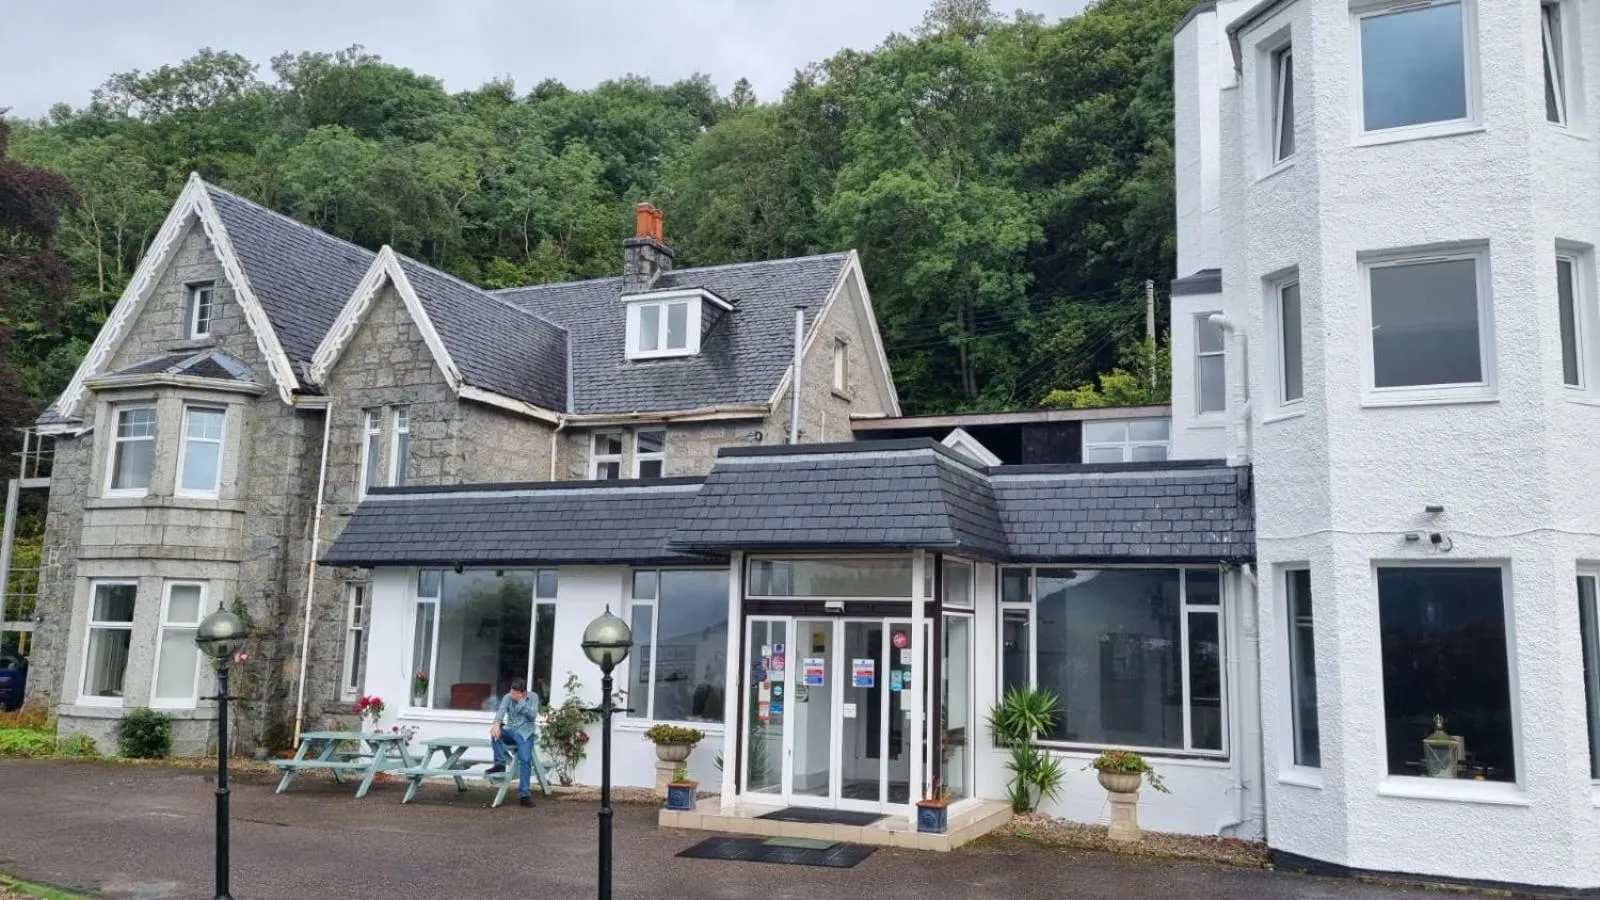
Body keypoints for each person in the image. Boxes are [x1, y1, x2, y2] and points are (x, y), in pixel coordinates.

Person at [485, 677, 540, 806]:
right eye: (511, 692)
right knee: (495, 733)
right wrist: (496, 724)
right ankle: (500, 763)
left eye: (515, 693)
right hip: (511, 730)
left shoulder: (533, 697)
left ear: (523, 693)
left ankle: (524, 795)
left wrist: (521, 702)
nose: (512, 695)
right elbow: (501, 710)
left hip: (525, 733)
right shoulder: (508, 697)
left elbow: (532, 715)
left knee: (525, 760)